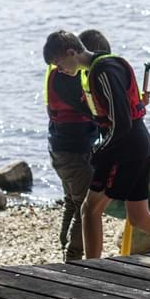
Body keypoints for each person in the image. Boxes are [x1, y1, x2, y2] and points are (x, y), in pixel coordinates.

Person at [43, 31, 150, 258]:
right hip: (136, 143)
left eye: (58, 64)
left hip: (124, 147)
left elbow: (122, 123)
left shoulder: (102, 71)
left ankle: (94, 267)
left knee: (90, 209)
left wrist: (100, 150)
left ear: (71, 52)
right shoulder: (93, 71)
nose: (59, 70)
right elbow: (119, 111)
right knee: (140, 217)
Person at [44, 34, 100, 262]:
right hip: (72, 151)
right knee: (85, 207)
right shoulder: (67, 77)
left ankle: (65, 249)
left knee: (72, 201)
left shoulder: (58, 74)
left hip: (59, 147)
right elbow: (93, 111)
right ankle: (73, 257)